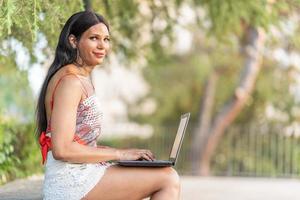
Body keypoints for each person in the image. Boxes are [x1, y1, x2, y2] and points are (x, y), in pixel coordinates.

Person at [36, 11, 180, 200]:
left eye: (106, 39)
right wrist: (120, 154)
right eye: (94, 38)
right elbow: (62, 149)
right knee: (167, 178)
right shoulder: (70, 82)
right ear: (73, 41)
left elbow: (80, 141)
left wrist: (124, 155)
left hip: (84, 172)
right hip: (70, 181)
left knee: (165, 175)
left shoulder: (79, 78)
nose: (102, 46)